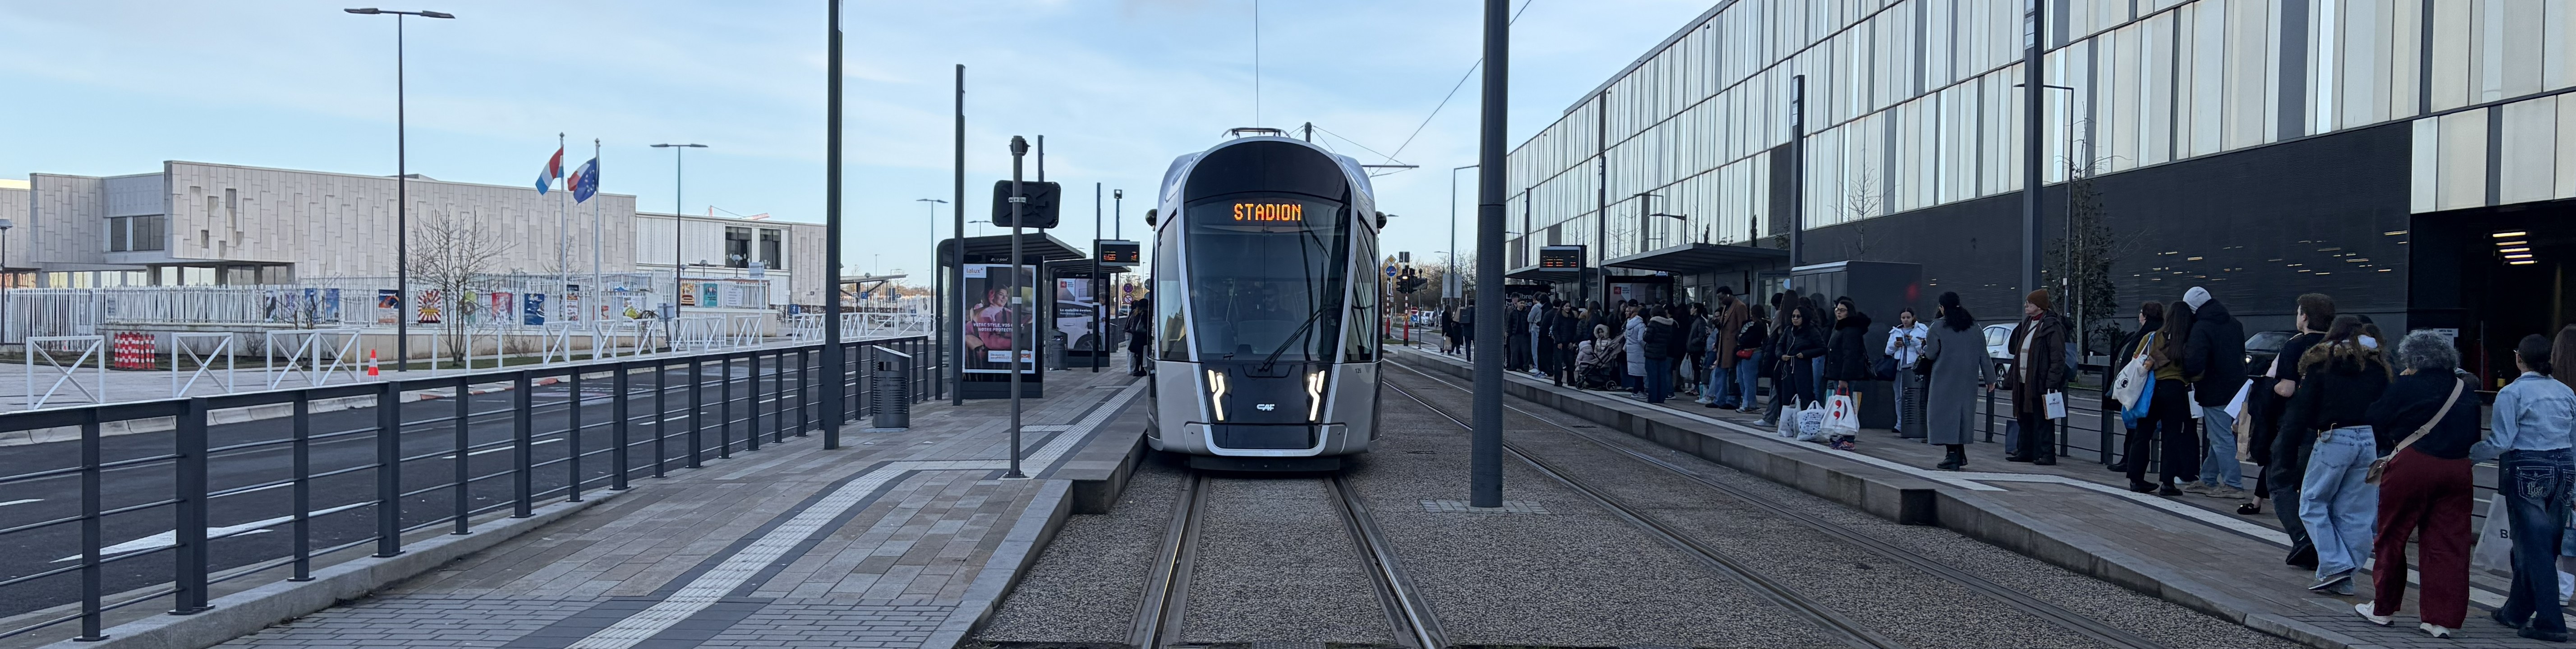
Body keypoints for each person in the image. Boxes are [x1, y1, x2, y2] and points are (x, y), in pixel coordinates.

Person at [2354, 330, 2479, 639]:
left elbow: (2376, 415)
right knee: (2449, 542)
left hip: (2413, 464)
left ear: (2413, 359)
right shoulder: (2464, 389)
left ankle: (2383, 608)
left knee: (2393, 534)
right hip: (2458, 468)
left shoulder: (2407, 386)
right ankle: (2440, 619)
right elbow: (2474, 432)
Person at [2474, 333, 2576, 642]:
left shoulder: (2513, 393)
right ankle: (2516, 610)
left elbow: (2502, 441)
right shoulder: (2566, 392)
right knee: (2547, 543)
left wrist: (2468, 455)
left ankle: (2550, 620)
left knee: (2534, 546)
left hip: (2528, 466)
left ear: (2519, 358)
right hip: (2564, 468)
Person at [2282, 315, 2392, 597]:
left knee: (2312, 503)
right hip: (2368, 439)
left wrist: (2288, 448)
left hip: (2334, 436)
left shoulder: (2324, 364)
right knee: (2356, 513)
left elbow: (2303, 409)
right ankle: (2347, 578)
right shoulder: (2378, 366)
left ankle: (2334, 566)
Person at [2253, 294, 2334, 568]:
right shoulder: (2340, 346)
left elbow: (2286, 389)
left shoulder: (2296, 345)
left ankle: (2303, 539)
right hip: (2335, 427)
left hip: (2298, 426)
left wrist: (2270, 385)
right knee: (2322, 489)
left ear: (2306, 317)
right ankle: (2329, 546)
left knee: (2281, 481)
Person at [2180, 286, 2249, 498]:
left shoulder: (2201, 328)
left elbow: (2194, 362)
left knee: (2221, 439)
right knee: (2221, 436)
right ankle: (2208, 478)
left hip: (2214, 389)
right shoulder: (2234, 324)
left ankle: (2233, 484)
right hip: (2239, 388)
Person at [2127, 301, 2201, 495]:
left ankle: (2136, 479)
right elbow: (2195, 370)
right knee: (2172, 437)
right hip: (2176, 390)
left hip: (2152, 390)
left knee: (2143, 434)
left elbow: (2137, 361)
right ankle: (2168, 483)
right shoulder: (2189, 340)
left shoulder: (2153, 337)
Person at [1921, 293, 1992, 470]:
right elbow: (1984, 354)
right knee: (1962, 415)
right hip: (1968, 379)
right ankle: (1960, 453)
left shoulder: (1938, 326)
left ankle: (1952, 455)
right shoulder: (1974, 326)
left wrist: (1923, 347)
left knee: (1944, 416)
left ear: (1942, 307)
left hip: (1944, 377)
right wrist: (1991, 378)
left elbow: (1931, 353)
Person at [1999, 290, 2068, 465]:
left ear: (2039, 307)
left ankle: (2047, 453)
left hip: (2040, 380)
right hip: (2024, 380)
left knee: (2043, 418)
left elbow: (2057, 356)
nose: (2026, 306)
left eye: (2029, 304)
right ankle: (2025, 450)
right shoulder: (2028, 323)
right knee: (2024, 416)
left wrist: (2052, 381)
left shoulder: (2052, 326)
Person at [2106, 302, 2164, 474]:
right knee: (2135, 427)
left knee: (2138, 428)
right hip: (2142, 388)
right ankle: (2129, 461)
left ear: (2145, 316)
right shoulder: (2155, 333)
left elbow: (2138, 359)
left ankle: (2132, 464)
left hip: (2141, 388)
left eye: (2141, 313)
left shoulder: (2149, 336)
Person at [1885, 307, 1929, 439]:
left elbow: (1925, 350)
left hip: (1914, 367)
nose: (1905, 320)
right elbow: (1888, 351)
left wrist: (1914, 341)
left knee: (1915, 397)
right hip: (1899, 367)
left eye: (1908, 318)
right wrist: (1895, 345)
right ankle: (1900, 424)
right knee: (1898, 397)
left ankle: (1915, 423)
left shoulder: (1922, 330)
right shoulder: (1895, 331)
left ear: (1913, 317)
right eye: (1903, 318)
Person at [1776, 304, 1827, 412]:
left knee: (1805, 394)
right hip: (1788, 366)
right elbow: (1779, 345)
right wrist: (1781, 355)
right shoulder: (1789, 330)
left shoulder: (1811, 330)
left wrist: (1805, 354)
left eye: (1798, 317)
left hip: (1803, 365)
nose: (1795, 319)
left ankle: (1806, 418)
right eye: (1793, 316)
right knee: (1788, 395)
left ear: (1804, 317)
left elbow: (1822, 348)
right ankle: (1787, 420)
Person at [1823, 297, 1875, 399]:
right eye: (1837, 310)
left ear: (1849, 312)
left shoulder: (1850, 330)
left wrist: (1844, 378)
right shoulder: (1839, 327)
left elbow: (1850, 355)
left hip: (1844, 374)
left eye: (1842, 310)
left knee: (1844, 402)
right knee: (1841, 402)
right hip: (1837, 372)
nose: (1839, 313)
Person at [1706, 292, 1751, 409]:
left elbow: (1743, 325)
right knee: (1721, 372)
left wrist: (1739, 340)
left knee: (1732, 373)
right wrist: (1718, 325)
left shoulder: (1740, 306)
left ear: (1729, 295)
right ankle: (1719, 399)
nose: (1721, 301)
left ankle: (1732, 400)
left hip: (1733, 344)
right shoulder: (1727, 307)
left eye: (1722, 297)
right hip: (1724, 345)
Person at [1733, 303, 1770, 414]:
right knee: (1743, 378)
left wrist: (1741, 337)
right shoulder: (1760, 325)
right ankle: (1750, 402)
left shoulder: (1758, 326)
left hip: (1752, 352)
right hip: (1748, 353)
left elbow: (1745, 338)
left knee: (1748, 380)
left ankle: (1748, 404)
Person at [1551, 302, 1582, 387]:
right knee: (1558, 363)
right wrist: (1559, 342)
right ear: (1562, 307)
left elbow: (1576, 331)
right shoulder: (1558, 317)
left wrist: (1573, 342)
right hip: (1560, 344)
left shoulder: (1573, 318)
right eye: (1566, 306)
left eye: (1569, 306)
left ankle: (1571, 381)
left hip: (1569, 344)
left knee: (1570, 363)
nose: (1568, 308)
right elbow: (1555, 330)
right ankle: (1558, 381)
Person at [1124, 296, 1154, 376]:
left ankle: (1136, 370)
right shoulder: (1145, 314)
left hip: (1136, 336)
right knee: (1142, 353)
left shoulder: (1137, 313)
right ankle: (1140, 369)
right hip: (1142, 336)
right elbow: (1147, 326)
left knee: (1138, 354)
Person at [1623, 303, 1647, 394]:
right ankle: (1638, 392)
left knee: (1637, 374)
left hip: (1631, 350)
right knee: (1640, 374)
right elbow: (1641, 339)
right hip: (1638, 351)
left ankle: (1638, 391)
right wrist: (1646, 347)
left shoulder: (1630, 323)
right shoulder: (1641, 325)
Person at [1506, 298, 1531, 372]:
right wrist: (1510, 334)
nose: (1522, 305)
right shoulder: (1513, 313)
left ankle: (1525, 367)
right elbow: (1510, 324)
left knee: (1525, 352)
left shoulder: (1526, 313)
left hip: (1524, 335)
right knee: (1514, 352)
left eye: (1523, 303)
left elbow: (1528, 323)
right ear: (1517, 304)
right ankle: (1514, 366)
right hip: (1515, 335)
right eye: (1521, 303)